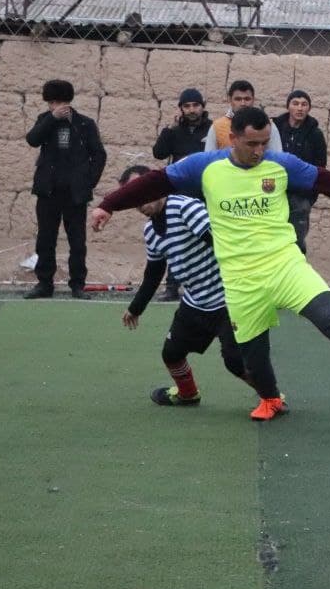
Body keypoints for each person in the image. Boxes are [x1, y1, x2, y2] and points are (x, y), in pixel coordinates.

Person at [90, 107, 330, 420]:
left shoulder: (281, 164)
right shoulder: (204, 166)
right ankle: (271, 399)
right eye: (252, 144)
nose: (260, 151)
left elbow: (323, 179)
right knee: (251, 352)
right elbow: (154, 182)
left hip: (285, 266)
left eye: (264, 143)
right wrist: (109, 205)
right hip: (240, 279)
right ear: (232, 138)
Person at [114, 165, 281, 419]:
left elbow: (222, 241)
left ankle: (272, 398)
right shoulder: (150, 231)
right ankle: (188, 394)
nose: (140, 204)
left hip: (229, 297)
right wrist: (135, 308)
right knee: (171, 354)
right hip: (196, 302)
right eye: (134, 199)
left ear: (157, 187)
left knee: (235, 361)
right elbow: (154, 273)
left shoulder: (185, 208)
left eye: (143, 194)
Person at [24, 79, 107, 300]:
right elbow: (32, 140)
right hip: (48, 191)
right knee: (45, 239)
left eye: (59, 102)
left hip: (74, 193)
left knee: (77, 242)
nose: (55, 106)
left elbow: (99, 154)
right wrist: (51, 119)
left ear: (68, 102)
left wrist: (89, 182)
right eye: (51, 103)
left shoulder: (84, 124)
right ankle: (44, 284)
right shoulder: (45, 120)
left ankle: (77, 284)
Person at [151, 86, 213, 301]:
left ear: (203, 106)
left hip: (206, 193)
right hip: (178, 195)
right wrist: (168, 129)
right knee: (176, 241)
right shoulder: (174, 131)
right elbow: (158, 153)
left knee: (208, 241)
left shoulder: (212, 129)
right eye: (187, 106)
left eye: (196, 105)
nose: (192, 110)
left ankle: (206, 287)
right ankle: (171, 287)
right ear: (181, 109)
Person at [271, 89, 328, 254]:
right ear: (288, 106)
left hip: (301, 196)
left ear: (309, 108)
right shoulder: (274, 129)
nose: (300, 108)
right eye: (295, 103)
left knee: (297, 241)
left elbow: (320, 166)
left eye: (304, 104)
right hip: (274, 192)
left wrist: (310, 196)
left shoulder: (315, 134)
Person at [206, 79, 282, 154]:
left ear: (253, 99)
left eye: (247, 99)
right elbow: (209, 157)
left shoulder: (268, 125)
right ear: (229, 100)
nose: (243, 103)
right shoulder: (217, 126)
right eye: (238, 99)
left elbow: (277, 156)